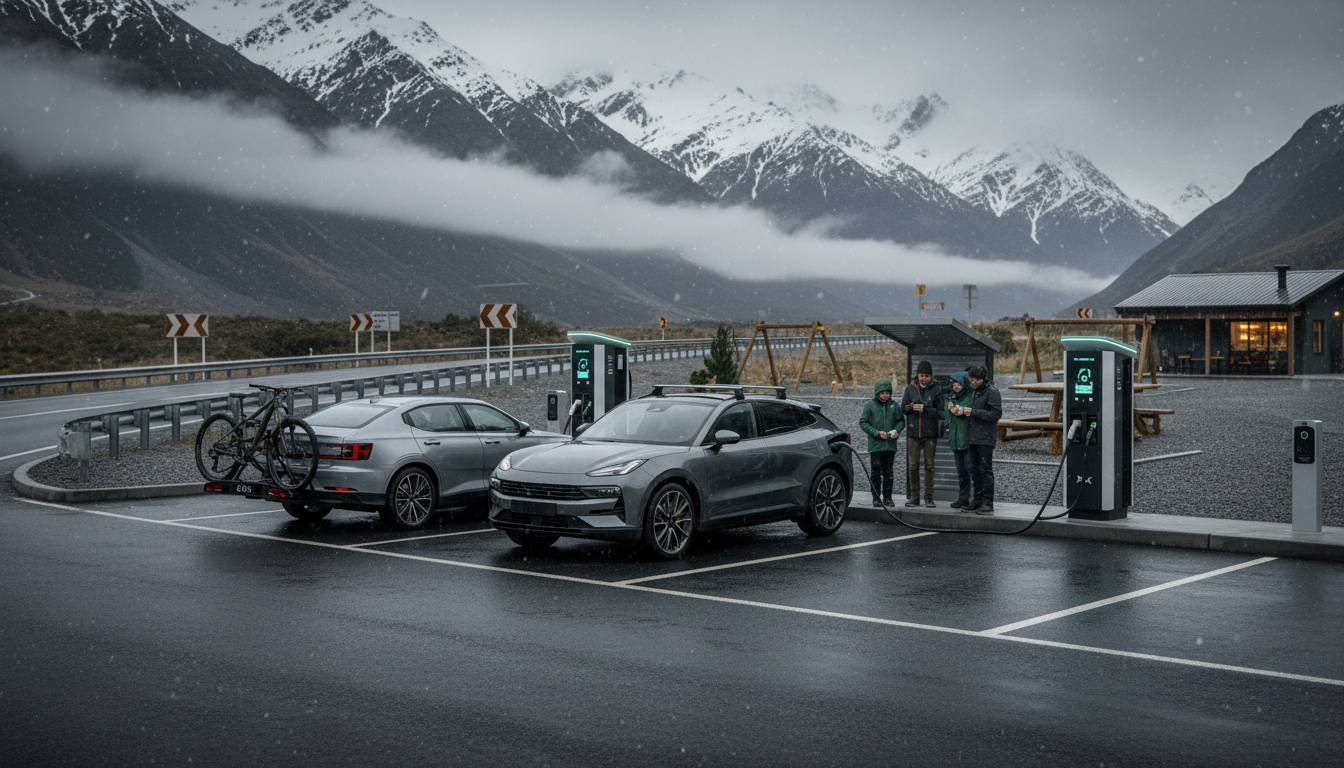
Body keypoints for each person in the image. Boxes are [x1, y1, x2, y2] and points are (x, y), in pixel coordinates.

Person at [962, 365, 1003, 515]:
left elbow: (995, 414)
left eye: (973, 380)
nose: (971, 383)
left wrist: (974, 412)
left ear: (981, 379)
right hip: (973, 437)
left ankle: (987, 503)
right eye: (970, 380)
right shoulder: (975, 392)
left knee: (985, 470)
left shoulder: (992, 392)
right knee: (974, 470)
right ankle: (977, 501)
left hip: (985, 437)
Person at [901, 360, 943, 508]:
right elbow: (903, 409)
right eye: (921, 375)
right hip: (913, 433)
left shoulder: (937, 389)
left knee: (929, 466)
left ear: (931, 376)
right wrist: (910, 407)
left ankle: (929, 497)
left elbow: (941, 413)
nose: (923, 378)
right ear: (917, 375)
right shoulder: (910, 388)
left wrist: (927, 409)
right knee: (913, 466)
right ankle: (914, 497)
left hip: (930, 433)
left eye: (926, 375)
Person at [858, 377, 904, 507]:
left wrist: (898, 430)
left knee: (888, 472)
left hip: (890, 445)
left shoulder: (894, 406)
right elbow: (863, 422)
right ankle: (876, 498)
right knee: (876, 472)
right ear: (877, 393)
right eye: (882, 393)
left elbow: (901, 420)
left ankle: (888, 498)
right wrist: (876, 433)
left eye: (887, 392)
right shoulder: (869, 405)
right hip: (875, 446)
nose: (885, 395)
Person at [944, 370, 974, 510]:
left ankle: (974, 498)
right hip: (955, 439)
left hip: (966, 439)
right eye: (954, 384)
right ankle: (963, 498)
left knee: (970, 470)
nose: (955, 386)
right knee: (961, 471)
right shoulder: (951, 398)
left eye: (958, 384)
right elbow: (947, 416)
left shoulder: (969, 397)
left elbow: (969, 414)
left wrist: (960, 412)